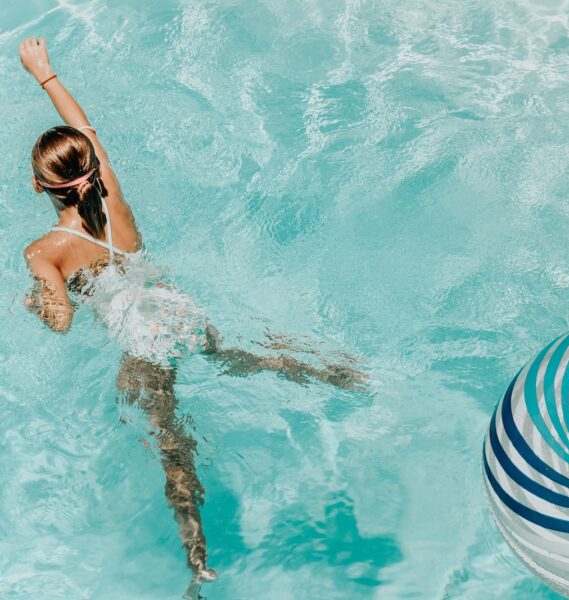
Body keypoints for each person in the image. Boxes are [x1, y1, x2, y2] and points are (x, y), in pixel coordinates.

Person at [18, 36, 365, 589]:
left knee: (172, 446)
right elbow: (87, 130)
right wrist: (45, 72)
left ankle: (199, 560)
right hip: (176, 309)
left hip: (142, 342)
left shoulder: (44, 252)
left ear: (39, 186)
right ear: (90, 168)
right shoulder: (110, 195)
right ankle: (337, 374)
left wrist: (36, 301)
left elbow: (60, 322)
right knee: (234, 355)